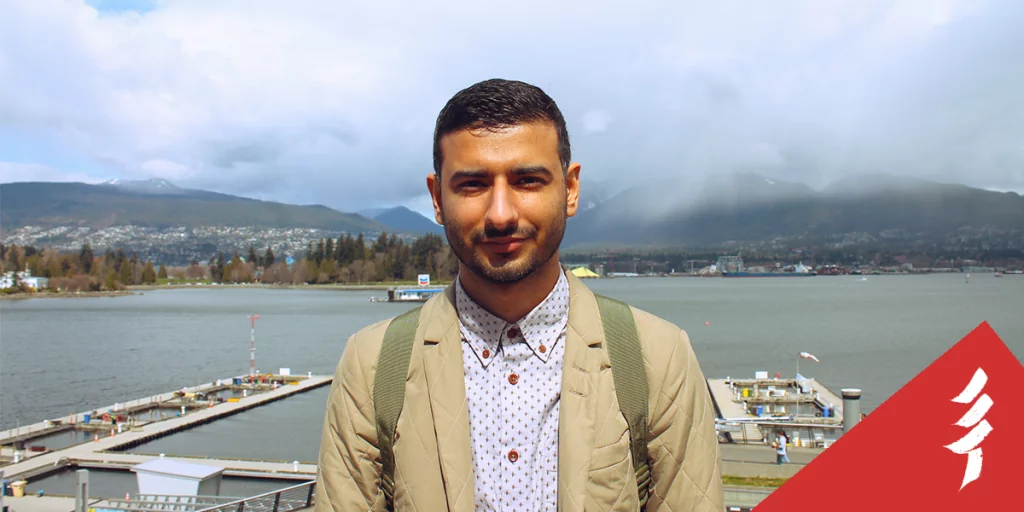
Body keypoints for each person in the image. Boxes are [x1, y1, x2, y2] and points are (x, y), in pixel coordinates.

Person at [316, 78, 723, 511]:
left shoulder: (656, 358)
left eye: (527, 180)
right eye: (472, 184)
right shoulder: (373, 366)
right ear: (437, 199)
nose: (501, 215)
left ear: (570, 189)